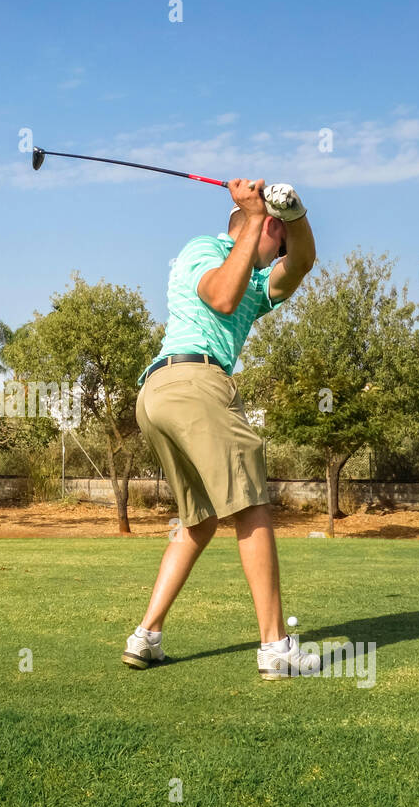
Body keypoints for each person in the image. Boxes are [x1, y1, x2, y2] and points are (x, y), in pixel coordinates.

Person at [122, 178, 318, 679]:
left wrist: (295, 216)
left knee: (201, 520)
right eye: (281, 237)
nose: (282, 252)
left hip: (163, 396)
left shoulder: (260, 283)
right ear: (260, 230)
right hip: (192, 382)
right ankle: (276, 648)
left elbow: (301, 264)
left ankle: (146, 636)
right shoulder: (204, 249)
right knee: (251, 499)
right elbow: (222, 297)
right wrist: (255, 216)